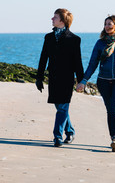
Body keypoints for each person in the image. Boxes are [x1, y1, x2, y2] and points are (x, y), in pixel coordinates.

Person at [76, 15, 115, 152]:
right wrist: (84, 81)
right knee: (110, 110)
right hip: (103, 81)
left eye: (110, 24)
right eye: (106, 24)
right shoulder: (100, 43)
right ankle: (113, 137)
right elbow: (92, 64)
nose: (107, 26)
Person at [36, 8, 84, 147]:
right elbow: (43, 58)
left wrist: (81, 81)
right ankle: (70, 132)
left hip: (67, 78)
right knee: (60, 107)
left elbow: (77, 62)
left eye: (55, 17)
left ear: (62, 21)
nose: (52, 19)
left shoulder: (74, 39)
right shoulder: (48, 37)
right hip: (53, 77)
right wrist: (39, 77)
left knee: (62, 107)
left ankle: (57, 136)